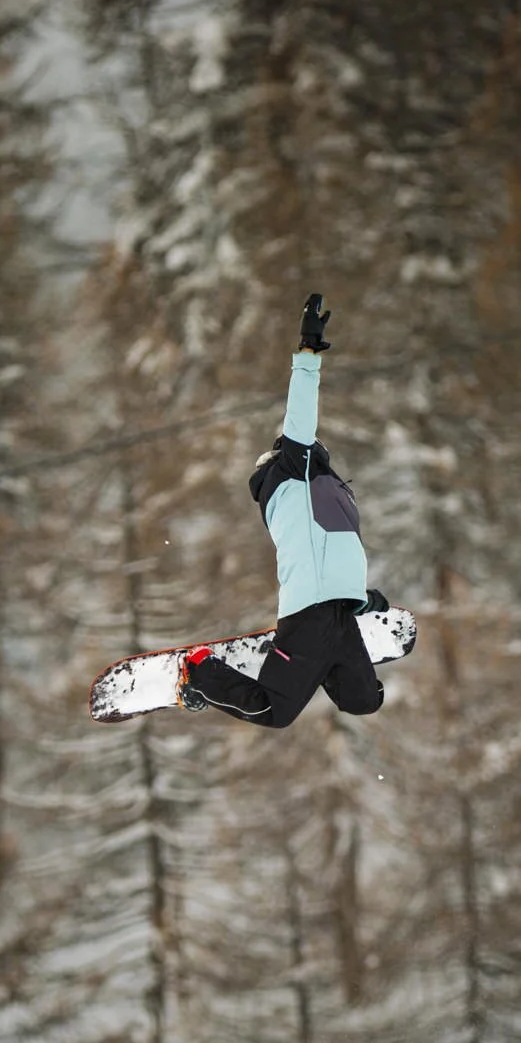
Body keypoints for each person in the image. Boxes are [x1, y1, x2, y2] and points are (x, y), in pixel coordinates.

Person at [178, 292, 388, 727]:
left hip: (339, 615)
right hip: (308, 617)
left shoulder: (330, 490)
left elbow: (331, 553)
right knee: (273, 710)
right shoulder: (297, 471)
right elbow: (300, 417)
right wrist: (308, 350)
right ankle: (199, 670)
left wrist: (363, 600)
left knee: (367, 700)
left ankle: (314, 667)